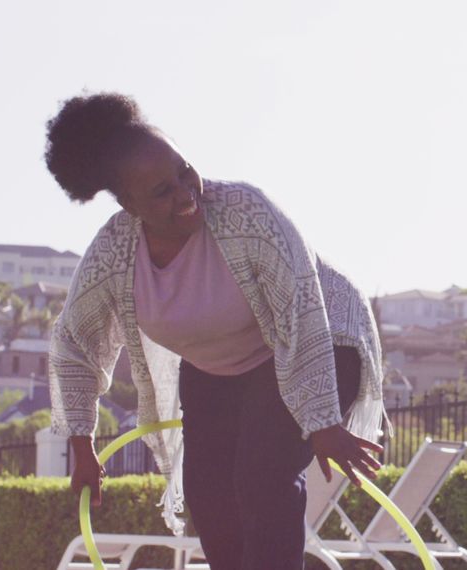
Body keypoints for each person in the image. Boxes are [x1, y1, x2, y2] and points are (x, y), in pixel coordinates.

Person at [43, 92, 388, 570]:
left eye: (186, 171)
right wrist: (82, 444)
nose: (186, 194)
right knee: (209, 497)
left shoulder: (246, 213)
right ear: (129, 204)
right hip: (218, 366)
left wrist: (323, 422)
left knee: (263, 474)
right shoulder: (113, 255)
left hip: (322, 333)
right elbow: (74, 344)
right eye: (162, 191)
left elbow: (300, 315)